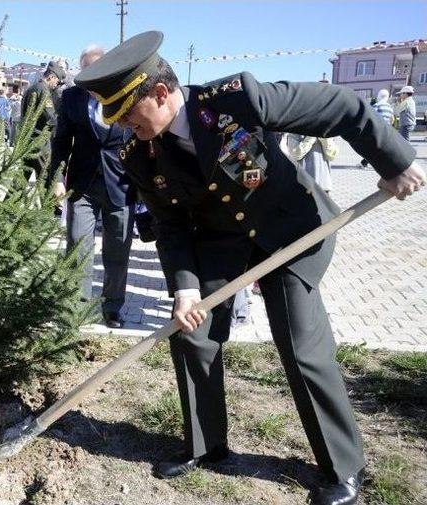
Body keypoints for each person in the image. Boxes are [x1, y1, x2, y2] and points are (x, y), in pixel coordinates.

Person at [74, 31, 425, 505]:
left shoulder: (236, 100)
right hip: (221, 240)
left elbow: (340, 106)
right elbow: (171, 224)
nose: (122, 127)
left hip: (291, 229)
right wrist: (185, 288)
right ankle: (206, 446)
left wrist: (394, 160)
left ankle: (343, 467)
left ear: (160, 93)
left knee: (300, 345)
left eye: (128, 114)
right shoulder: (139, 153)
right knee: (192, 333)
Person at [50, 45, 135, 328]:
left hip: (121, 184)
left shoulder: (125, 94)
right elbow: (61, 140)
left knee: (117, 250)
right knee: (78, 245)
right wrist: (55, 177)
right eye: (86, 70)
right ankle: (78, 308)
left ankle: (112, 308)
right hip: (82, 184)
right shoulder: (72, 97)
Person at [21, 61, 66, 178]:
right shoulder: (43, 90)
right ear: (51, 77)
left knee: (21, 179)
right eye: (57, 81)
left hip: (26, 139)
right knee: (45, 178)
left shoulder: (31, 88)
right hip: (39, 142)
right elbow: (50, 118)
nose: (57, 84)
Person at [360, 89, 394, 168]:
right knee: (379, 148)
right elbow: (392, 120)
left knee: (371, 148)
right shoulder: (390, 107)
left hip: (377, 130)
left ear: (379, 96)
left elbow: (371, 118)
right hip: (386, 131)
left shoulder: (377, 105)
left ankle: (364, 163)